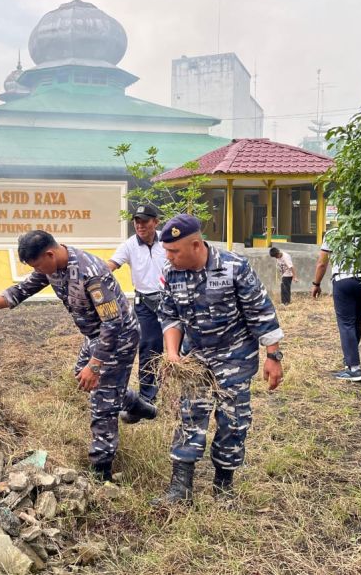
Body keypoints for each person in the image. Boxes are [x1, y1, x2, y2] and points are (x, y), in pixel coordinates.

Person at [0, 230, 155, 482]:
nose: (38, 271)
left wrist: (96, 365)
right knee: (83, 376)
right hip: (95, 336)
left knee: (102, 402)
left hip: (118, 337)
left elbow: (113, 323)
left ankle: (101, 473)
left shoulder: (92, 273)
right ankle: (138, 405)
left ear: (50, 253)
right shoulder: (50, 267)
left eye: (37, 265)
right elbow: (20, 291)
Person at [153, 214, 284, 504]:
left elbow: (260, 311)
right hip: (196, 356)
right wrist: (173, 353)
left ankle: (223, 484)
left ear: (196, 245)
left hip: (234, 355)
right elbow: (170, 315)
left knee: (233, 421)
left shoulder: (234, 267)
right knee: (189, 415)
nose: (169, 257)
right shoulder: (171, 272)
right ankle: (180, 488)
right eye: (167, 251)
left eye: (174, 251)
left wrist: (273, 356)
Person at [108, 203, 167, 415]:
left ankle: (178, 396)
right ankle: (147, 398)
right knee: (149, 348)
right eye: (137, 222)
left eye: (145, 221)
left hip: (172, 301)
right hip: (146, 305)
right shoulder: (129, 245)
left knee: (180, 348)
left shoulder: (167, 240)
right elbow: (111, 265)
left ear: (155, 222)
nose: (140, 226)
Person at [311, 232, 361, 382]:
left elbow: (322, 263)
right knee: (356, 322)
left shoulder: (333, 234)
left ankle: (354, 368)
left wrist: (316, 284)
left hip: (343, 281)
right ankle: (350, 360)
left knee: (346, 324)